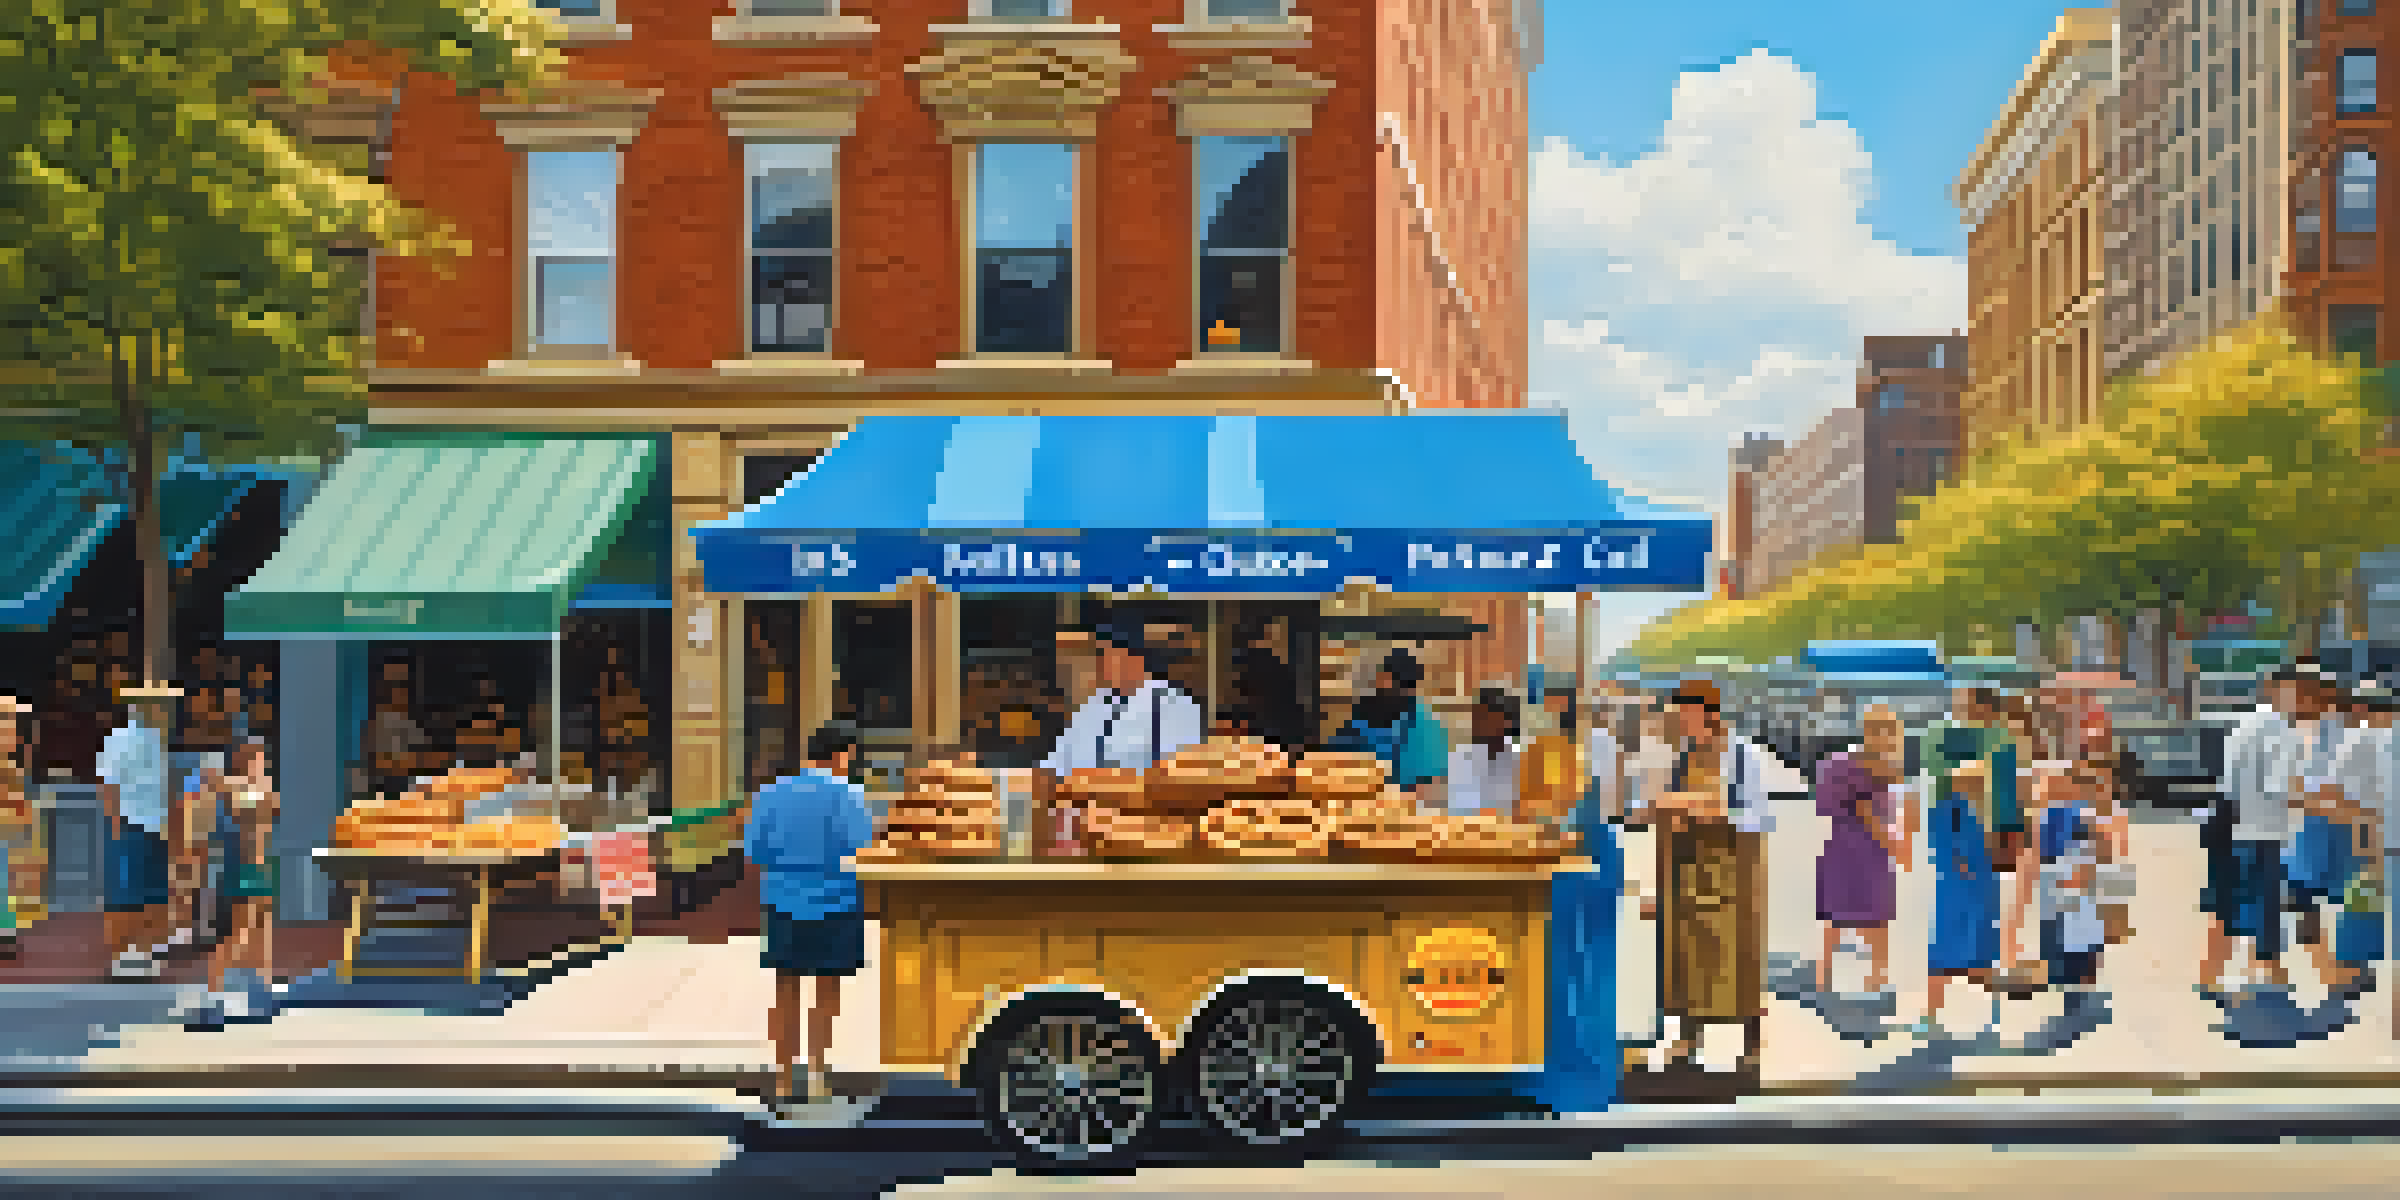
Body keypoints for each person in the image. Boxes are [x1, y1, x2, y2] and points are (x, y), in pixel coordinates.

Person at [744, 722, 873, 1109]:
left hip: (784, 900)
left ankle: (784, 1078)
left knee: (786, 990)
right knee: (826, 991)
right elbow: (862, 849)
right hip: (838, 900)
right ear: (842, 754)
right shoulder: (850, 795)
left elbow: (756, 852)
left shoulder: (770, 794)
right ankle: (817, 1073)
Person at [1647, 681, 1772, 1072]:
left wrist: (1717, 814)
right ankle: (1687, 1039)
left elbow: (1761, 815)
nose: (1680, 722)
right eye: (1676, 716)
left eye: (1686, 714)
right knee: (1687, 957)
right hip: (1689, 867)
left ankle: (1751, 1043)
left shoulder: (1744, 756)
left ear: (1711, 714)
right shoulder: (1682, 758)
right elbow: (1662, 814)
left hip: (1734, 870)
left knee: (1740, 956)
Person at [1813, 705, 1910, 997]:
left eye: (1890, 732)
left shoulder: (1886, 770)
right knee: (1839, 916)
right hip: (1849, 849)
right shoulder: (1843, 763)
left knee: (1872, 917)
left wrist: (1896, 838)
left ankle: (1873, 979)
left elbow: (1895, 811)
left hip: (1869, 852)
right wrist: (1893, 840)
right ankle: (1827, 978)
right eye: (1882, 731)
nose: (1887, 738)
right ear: (1868, 732)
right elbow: (1835, 806)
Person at [1040, 619, 1205, 775]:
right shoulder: (1096, 703)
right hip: (1083, 799)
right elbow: (1059, 759)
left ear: (1136, 657)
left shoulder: (1175, 704)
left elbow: (1180, 770)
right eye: (1101, 655)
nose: (1102, 663)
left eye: (1110, 655)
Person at [1918, 758, 2002, 1036]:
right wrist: (1962, 865)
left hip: (1980, 892)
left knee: (1982, 956)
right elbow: (1940, 846)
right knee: (1943, 955)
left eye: (1981, 782)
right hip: (1957, 892)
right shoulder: (1947, 811)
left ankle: (1992, 1019)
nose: (1980, 787)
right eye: (1975, 782)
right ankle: (1930, 1018)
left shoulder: (1983, 811)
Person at [99, 684, 178, 980]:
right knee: (124, 896)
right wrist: (116, 827)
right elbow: (108, 787)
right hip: (130, 826)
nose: (163, 711)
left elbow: (162, 789)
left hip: (155, 828)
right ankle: (120, 958)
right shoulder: (117, 740)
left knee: (154, 894)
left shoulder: (157, 743)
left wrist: (169, 828)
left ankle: (144, 954)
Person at [205, 737, 280, 1017]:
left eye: (260, 757)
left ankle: (264, 987)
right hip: (241, 868)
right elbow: (243, 810)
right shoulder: (233, 787)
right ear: (240, 759)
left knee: (263, 931)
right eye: (253, 757)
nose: (259, 762)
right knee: (239, 932)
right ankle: (214, 991)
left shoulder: (263, 786)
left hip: (262, 868)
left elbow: (272, 811)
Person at [1328, 650, 1450, 798]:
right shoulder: (1363, 713)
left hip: (1401, 804)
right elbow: (1335, 760)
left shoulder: (1423, 726)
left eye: (1401, 683)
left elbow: (1427, 786)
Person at [1441, 687, 1524, 818]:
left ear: (1506, 722)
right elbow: (1462, 811)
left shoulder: (1519, 759)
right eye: (1476, 717)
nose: (1476, 723)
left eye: (1484, 717)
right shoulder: (1462, 757)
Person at [1519, 684, 1588, 830]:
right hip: (1537, 818)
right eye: (1549, 705)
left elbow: (1573, 793)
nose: (1551, 710)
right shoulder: (1538, 744)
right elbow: (1525, 786)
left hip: (1561, 821)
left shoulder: (1574, 747)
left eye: (1557, 706)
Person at [0, 695, 30, 953]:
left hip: (7, 832)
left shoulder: (12, 762)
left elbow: (17, 798)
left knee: (6, 883)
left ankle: (6, 933)